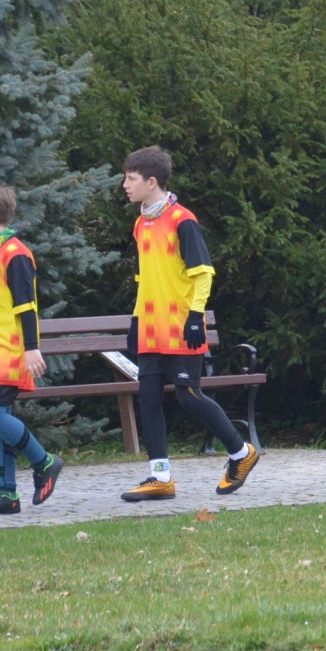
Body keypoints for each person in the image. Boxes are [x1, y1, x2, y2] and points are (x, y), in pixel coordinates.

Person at [117, 145, 260, 501]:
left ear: (152, 181)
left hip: (181, 326)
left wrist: (196, 316)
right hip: (150, 328)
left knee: (189, 396)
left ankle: (241, 453)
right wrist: (135, 320)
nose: (125, 185)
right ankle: (160, 477)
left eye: (131, 179)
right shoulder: (140, 223)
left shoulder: (182, 220)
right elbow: (143, 280)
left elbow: (203, 273)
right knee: (148, 397)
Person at [0, 185, 62, 516]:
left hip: (10, 351)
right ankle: (7, 495)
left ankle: (44, 461)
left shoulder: (15, 254)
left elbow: (27, 306)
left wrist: (32, 348)